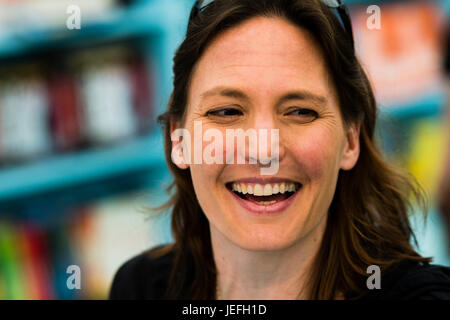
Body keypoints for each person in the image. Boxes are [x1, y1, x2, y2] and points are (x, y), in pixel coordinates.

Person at [109, 0, 450, 300]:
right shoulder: (140, 287)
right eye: (227, 112)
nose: (263, 150)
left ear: (350, 140)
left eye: (300, 111)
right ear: (179, 140)